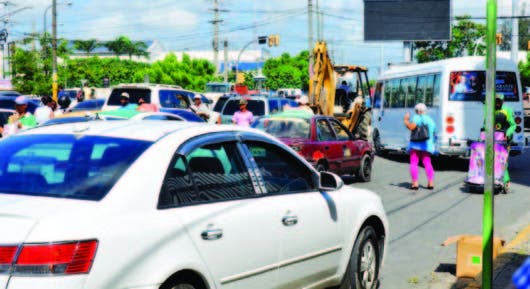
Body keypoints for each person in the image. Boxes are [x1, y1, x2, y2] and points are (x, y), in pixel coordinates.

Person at [404, 103, 436, 190]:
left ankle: (415, 183)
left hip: (416, 145)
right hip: (427, 145)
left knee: (414, 162)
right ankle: (430, 183)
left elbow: (411, 127)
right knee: (427, 162)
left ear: (418, 111)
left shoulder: (416, 117)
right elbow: (433, 133)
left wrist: (406, 120)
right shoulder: (430, 120)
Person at [492, 93, 516, 189]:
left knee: (503, 160)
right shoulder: (491, 109)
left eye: (499, 101)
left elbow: (513, 125)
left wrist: (507, 134)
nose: (497, 103)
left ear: (503, 101)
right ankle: (493, 178)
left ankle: (506, 180)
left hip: (505, 140)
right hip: (493, 139)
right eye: (496, 100)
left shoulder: (507, 110)